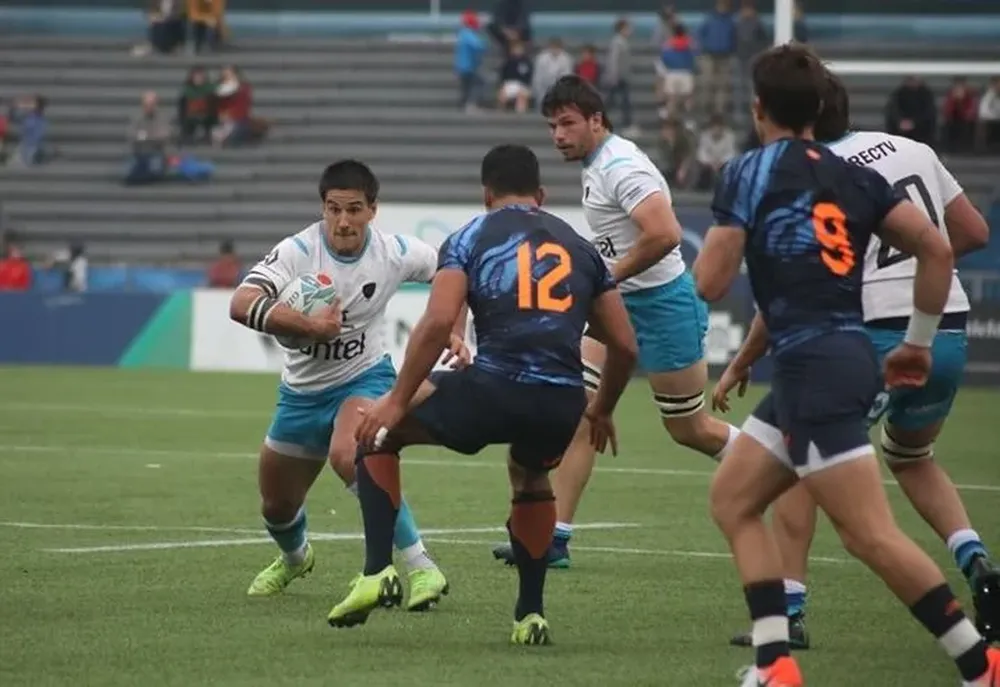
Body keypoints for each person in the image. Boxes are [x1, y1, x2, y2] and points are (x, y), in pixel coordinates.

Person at [694, 44, 999, 686]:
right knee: (732, 498)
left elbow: (712, 281)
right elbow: (940, 246)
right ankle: (775, 664)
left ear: (758, 109)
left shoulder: (748, 173)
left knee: (869, 535)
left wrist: (737, 238)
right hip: (840, 357)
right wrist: (917, 341)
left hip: (815, 368)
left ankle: (979, 663)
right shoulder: (856, 177)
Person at [326, 144, 639, 645]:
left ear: (486, 194)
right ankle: (530, 615)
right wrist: (600, 409)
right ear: (541, 195)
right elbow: (624, 345)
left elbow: (435, 323)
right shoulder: (581, 247)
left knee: (375, 435)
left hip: (494, 386)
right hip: (560, 400)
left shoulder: (472, 235)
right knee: (532, 474)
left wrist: (396, 399)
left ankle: (377, 571)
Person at [491, 75, 739, 569]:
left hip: (664, 303)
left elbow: (666, 233)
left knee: (689, 429)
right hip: (616, 307)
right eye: (552, 126)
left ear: (596, 121)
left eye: (567, 124)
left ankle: (771, 460)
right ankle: (554, 538)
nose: (558, 135)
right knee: (578, 412)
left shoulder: (622, 166)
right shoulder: (597, 163)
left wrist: (602, 278)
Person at [228, 160, 459, 611]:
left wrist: (453, 323)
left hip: (365, 376)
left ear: (373, 209)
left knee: (349, 452)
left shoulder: (394, 252)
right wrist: (308, 326)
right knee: (276, 505)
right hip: (300, 394)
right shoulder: (297, 252)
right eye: (333, 209)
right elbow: (242, 302)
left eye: (354, 209)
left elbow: (455, 269)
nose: (343, 221)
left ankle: (422, 566)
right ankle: (296, 559)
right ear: (323, 209)